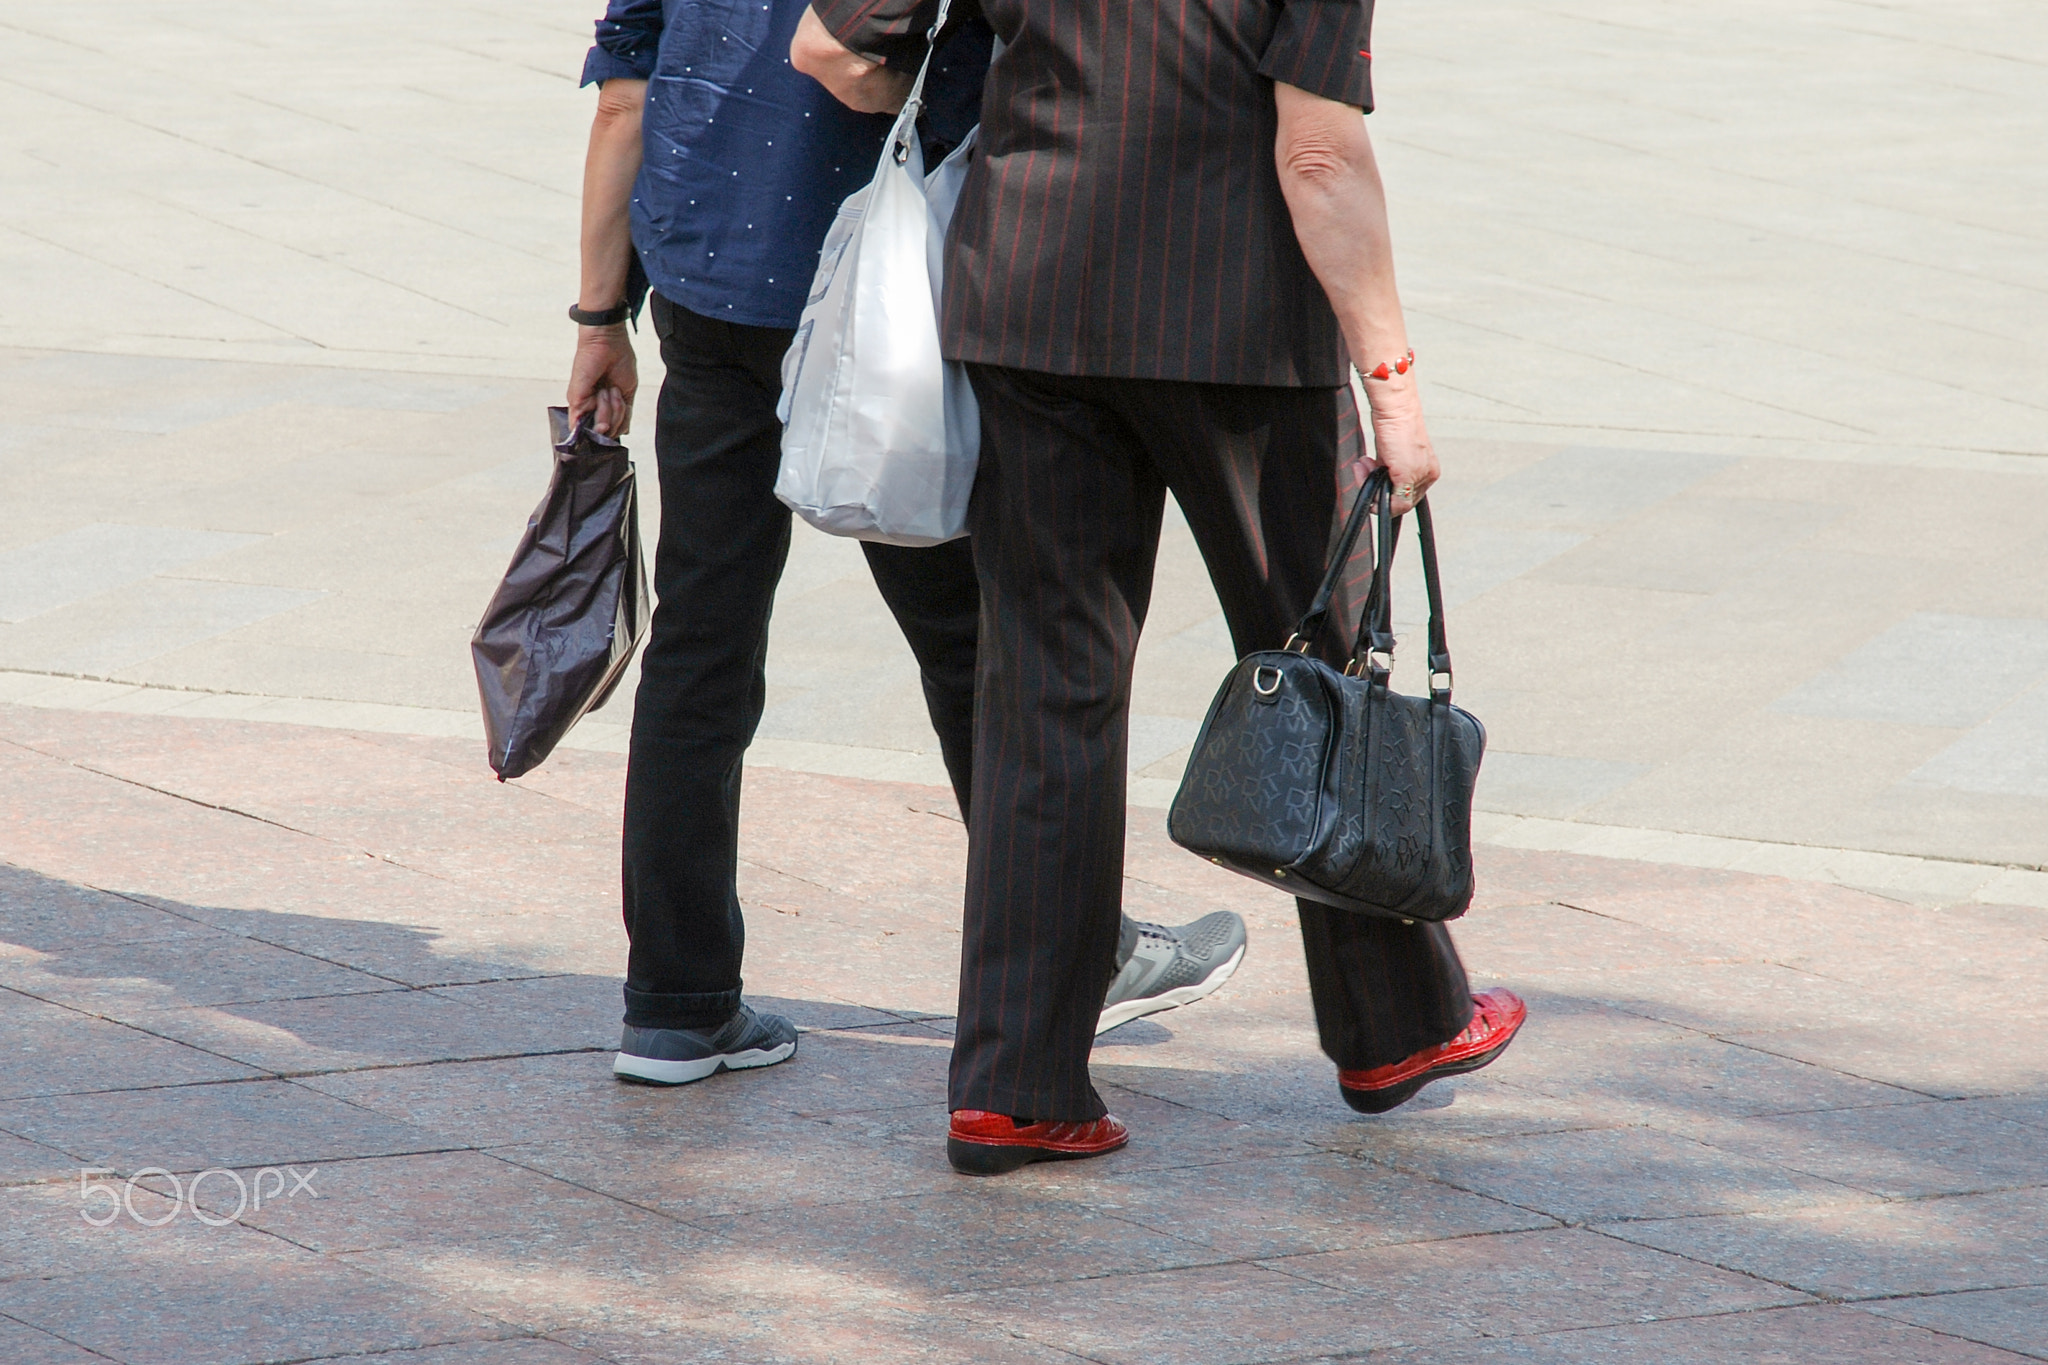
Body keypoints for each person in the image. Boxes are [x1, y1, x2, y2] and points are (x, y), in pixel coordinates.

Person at [794, 0, 1528, 1171]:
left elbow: (830, 47)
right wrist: (1390, 379)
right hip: (1234, 320)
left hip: (1024, 298)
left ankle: (1014, 1088)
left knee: (1044, 695)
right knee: (1326, 665)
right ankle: (1396, 1028)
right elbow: (1317, 150)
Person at [566, 0, 1249, 1086]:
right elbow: (861, 66)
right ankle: (1083, 957)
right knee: (973, 646)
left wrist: (598, 318)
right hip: (871, 291)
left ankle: (674, 1008)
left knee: (699, 646)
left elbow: (622, 95)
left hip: (703, 283)